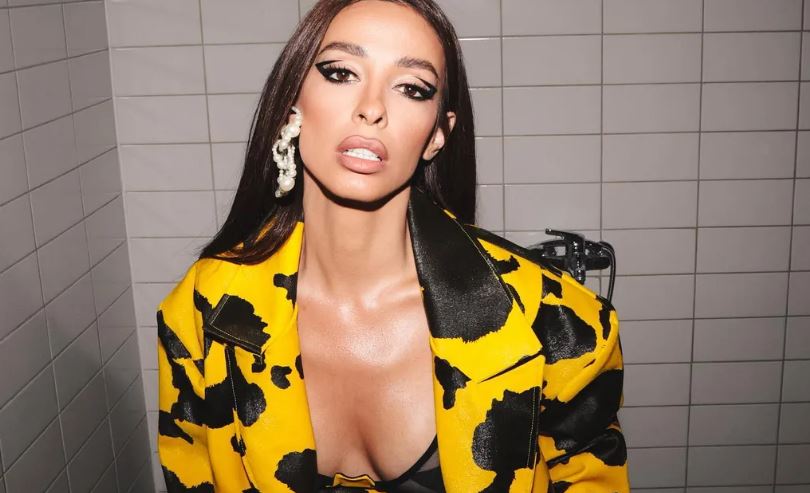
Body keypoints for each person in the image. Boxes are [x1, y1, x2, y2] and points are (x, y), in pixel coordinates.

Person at [156, 0, 630, 492]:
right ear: (291, 104)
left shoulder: (556, 322)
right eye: (341, 73)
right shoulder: (204, 307)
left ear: (437, 136)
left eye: (411, 88)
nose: (372, 107)